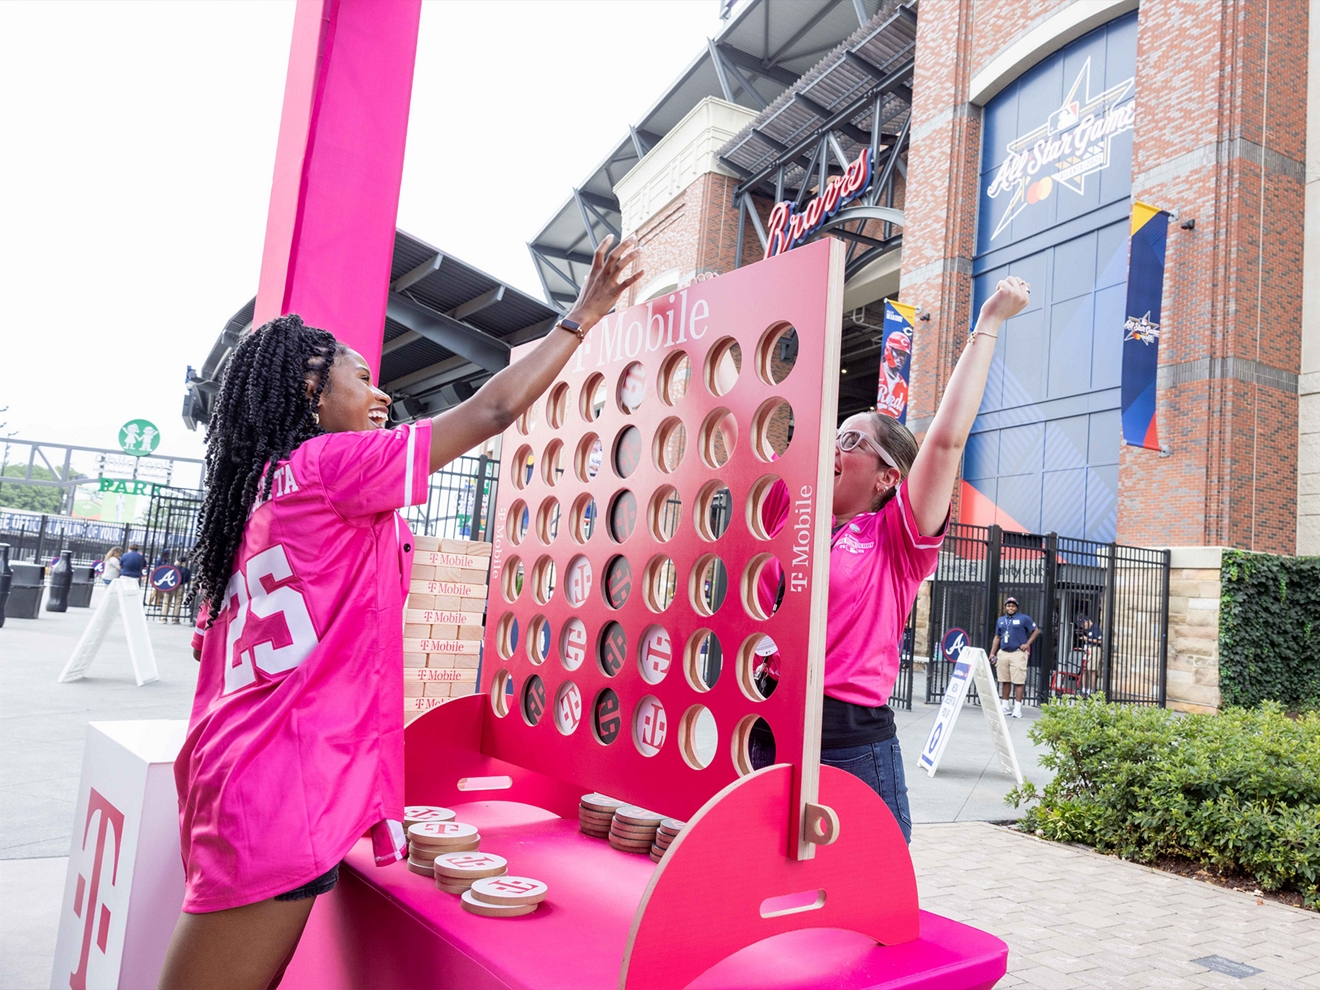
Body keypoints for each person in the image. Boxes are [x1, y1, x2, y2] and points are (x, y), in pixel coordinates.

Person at [156, 235, 641, 990]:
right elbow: (498, 407)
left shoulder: (262, 489)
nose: (382, 395)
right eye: (361, 377)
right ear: (310, 391)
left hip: (242, 772)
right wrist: (584, 315)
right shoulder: (331, 465)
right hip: (281, 792)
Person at [816, 275, 1030, 844]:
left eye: (853, 441)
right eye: (836, 434)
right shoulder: (794, 516)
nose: (835, 446)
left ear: (889, 476)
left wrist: (988, 323)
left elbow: (944, 443)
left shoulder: (894, 537)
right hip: (764, 726)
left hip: (847, 742)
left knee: (867, 901)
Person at [989, 596, 1039, 718]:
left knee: (1018, 681)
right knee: (1004, 680)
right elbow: (997, 637)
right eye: (1008, 606)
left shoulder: (1023, 618)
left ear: (1016, 607)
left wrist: (1027, 644)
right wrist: (992, 653)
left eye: (1013, 606)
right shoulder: (1001, 620)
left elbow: (1036, 630)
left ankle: (1017, 708)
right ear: (1005, 607)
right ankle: (1005, 706)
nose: (1010, 608)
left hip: (1017, 652)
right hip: (1004, 652)